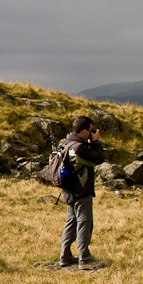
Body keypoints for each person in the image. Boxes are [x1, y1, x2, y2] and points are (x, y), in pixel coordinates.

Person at [59, 115, 105, 270]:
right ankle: (85, 259)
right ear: (84, 130)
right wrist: (96, 141)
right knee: (84, 222)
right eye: (90, 130)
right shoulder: (79, 148)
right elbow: (98, 158)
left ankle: (65, 256)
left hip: (69, 190)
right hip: (81, 190)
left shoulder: (68, 143)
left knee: (71, 222)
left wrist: (90, 143)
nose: (92, 132)